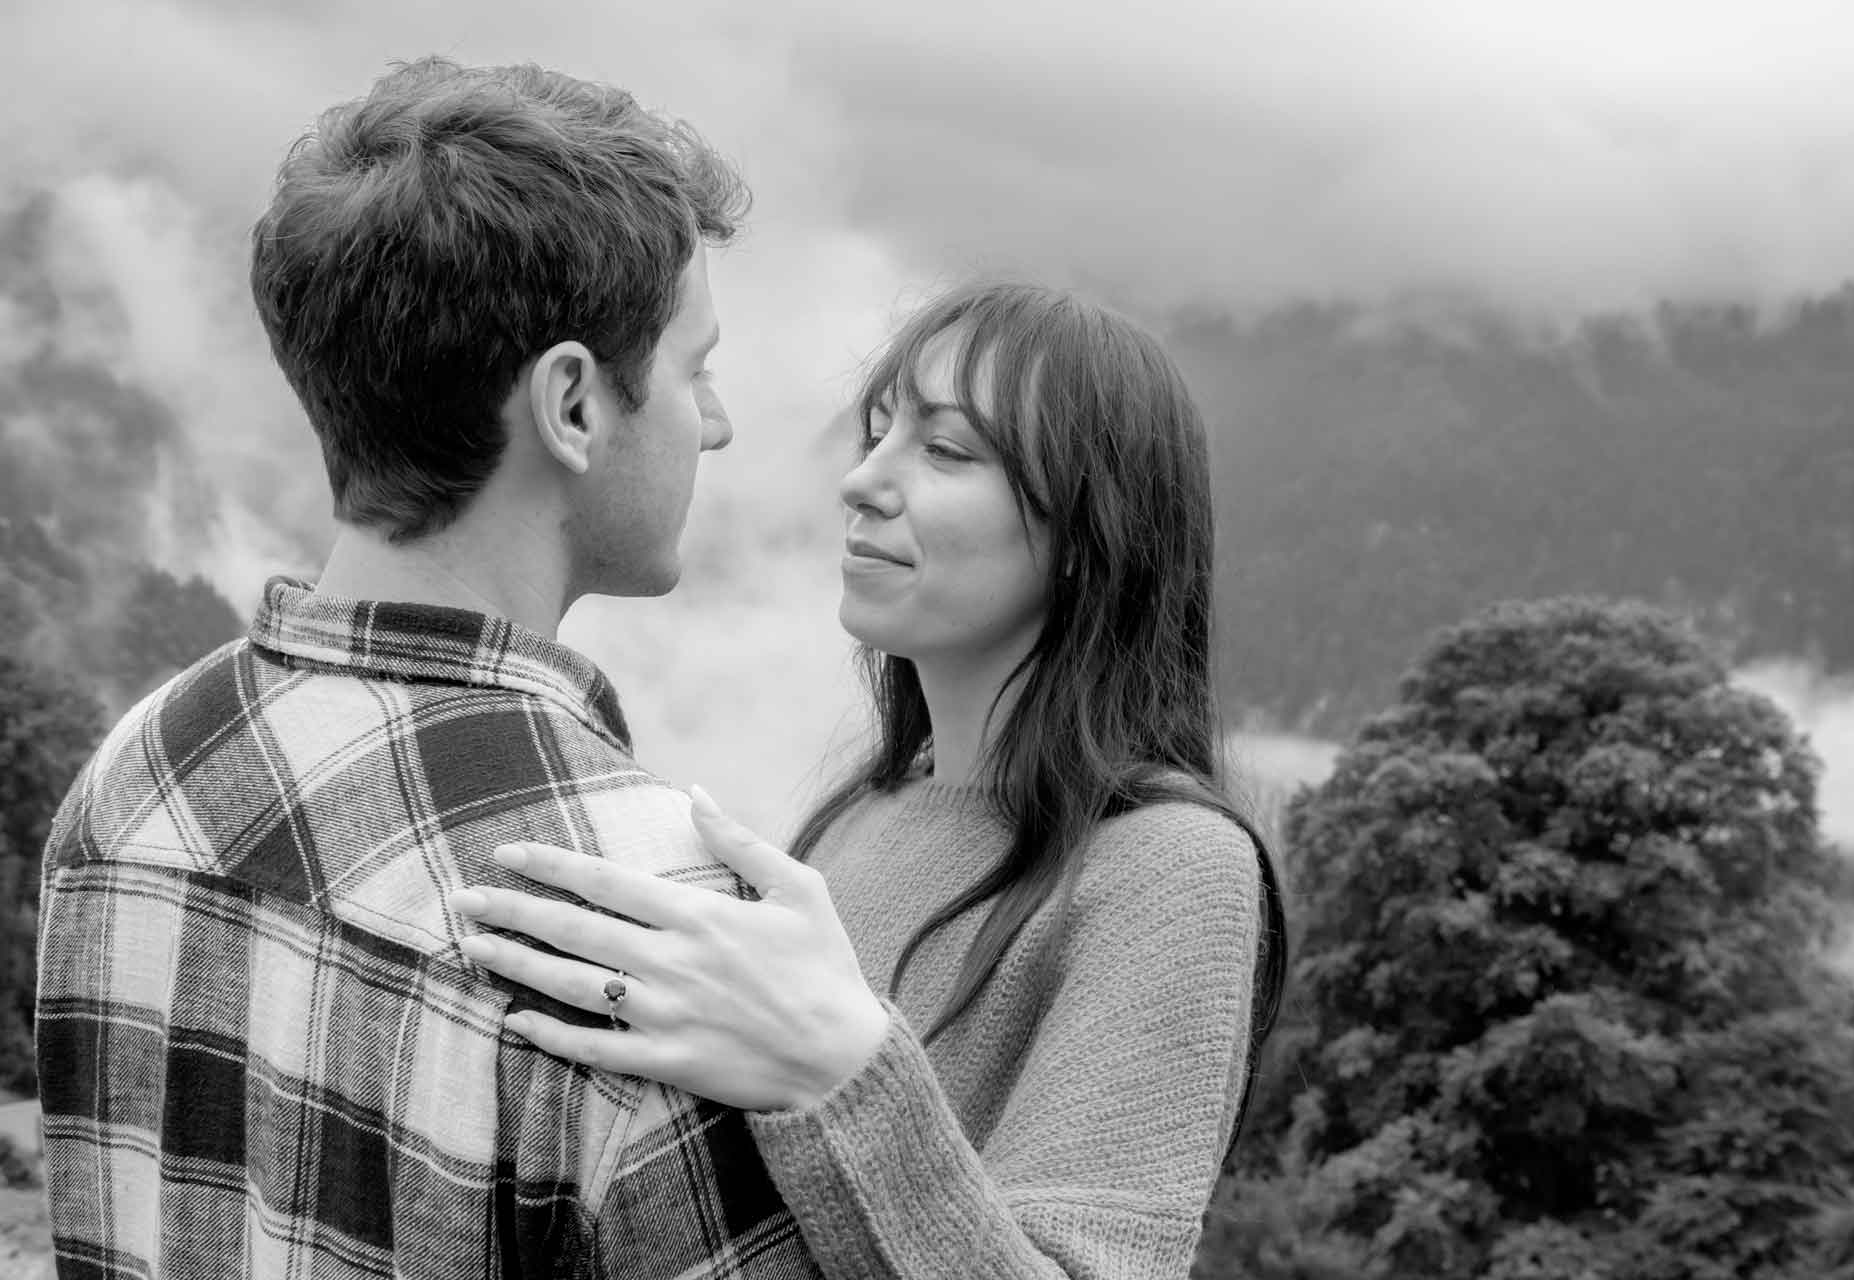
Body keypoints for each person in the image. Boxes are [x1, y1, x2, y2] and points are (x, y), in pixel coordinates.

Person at [34, 57, 823, 1278]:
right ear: (572, 403)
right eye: (693, 369)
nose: (712, 423)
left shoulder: (129, 778)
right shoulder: (644, 927)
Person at [452, 282, 1288, 1279]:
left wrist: (844, 1072)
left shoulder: (1172, 864)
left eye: (947, 451)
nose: (862, 481)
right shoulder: (859, 815)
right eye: (878, 433)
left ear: (1088, 537)